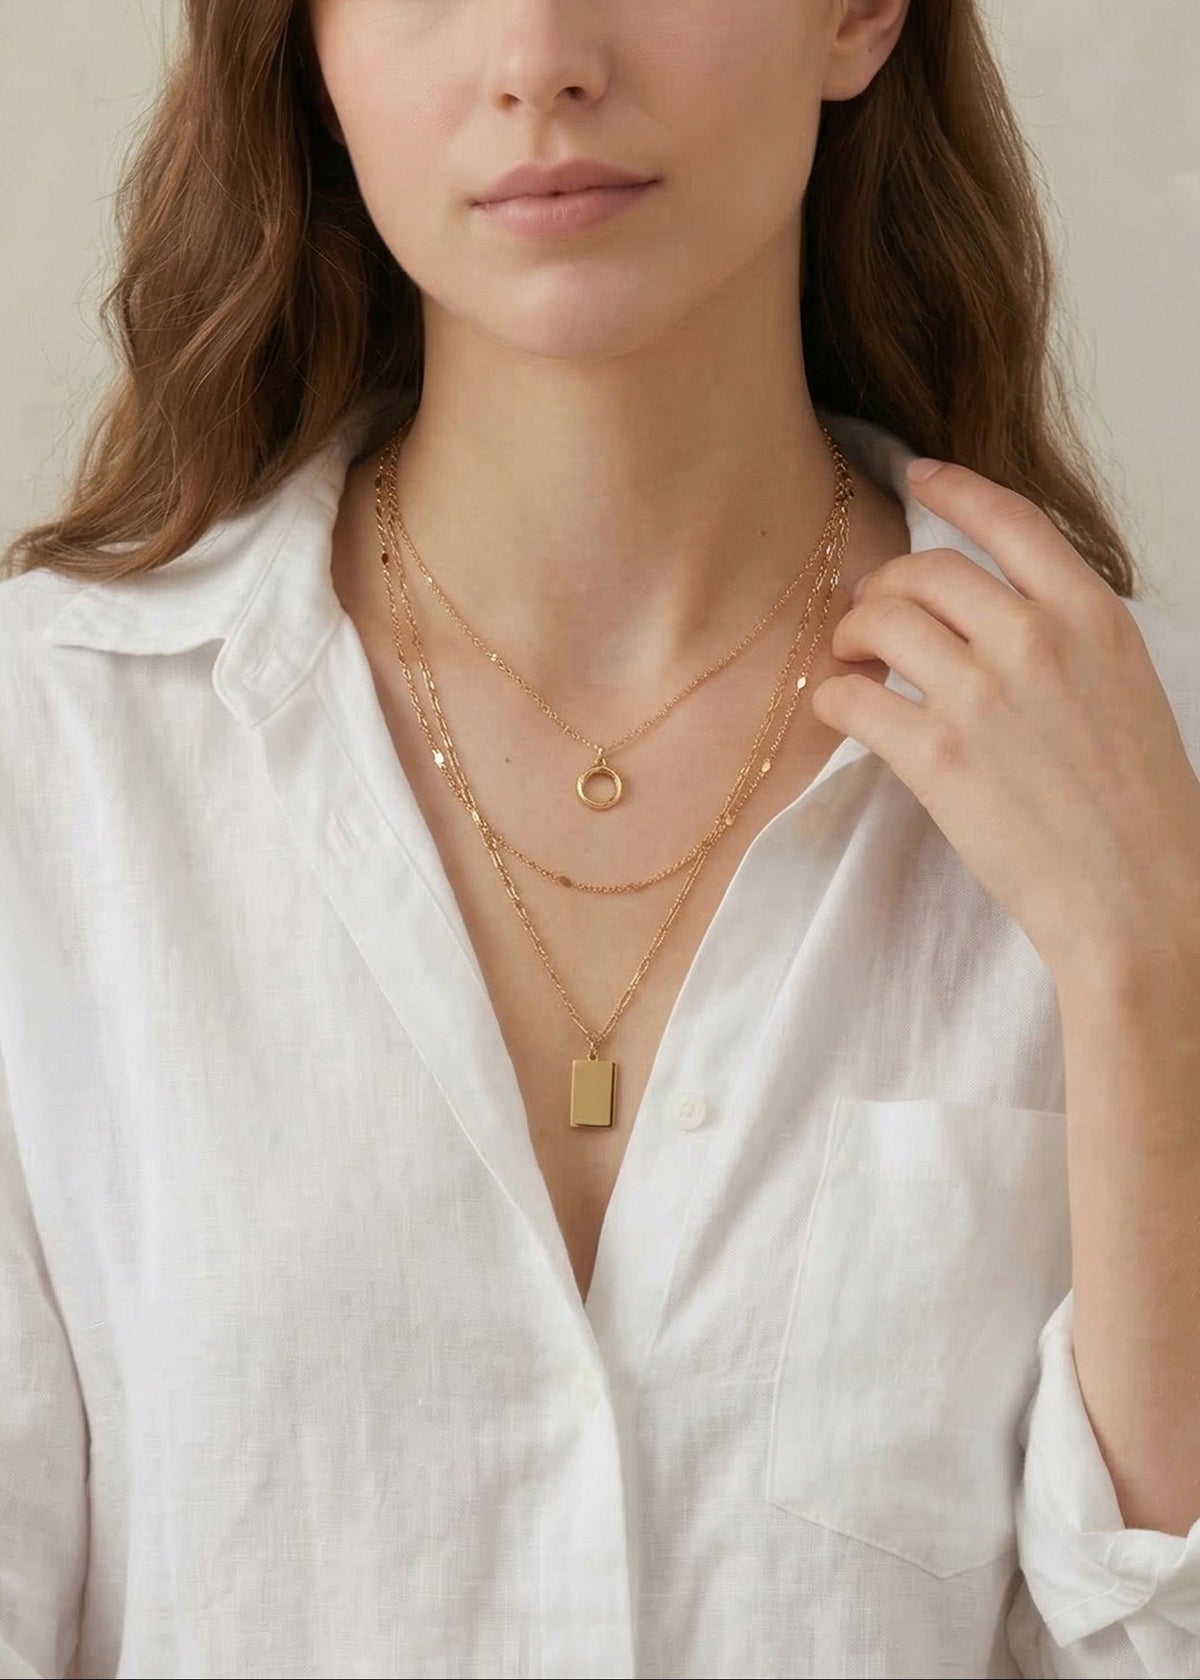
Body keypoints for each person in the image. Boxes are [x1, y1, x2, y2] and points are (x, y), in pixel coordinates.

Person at [2, 0, 1198, 1675]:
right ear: (309, 54)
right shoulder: (52, 753)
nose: (540, 57)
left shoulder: (1149, 771)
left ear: (856, 16)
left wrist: (1149, 978)